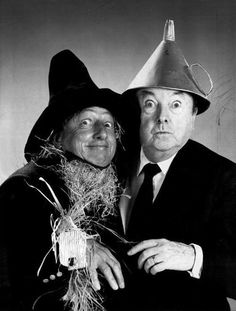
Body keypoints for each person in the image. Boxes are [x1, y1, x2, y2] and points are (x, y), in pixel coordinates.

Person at [108, 20, 236, 311]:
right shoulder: (109, 163)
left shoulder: (224, 177)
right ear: (137, 113)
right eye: (151, 104)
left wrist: (193, 257)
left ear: (193, 114)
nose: (162, 117)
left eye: (176, 105)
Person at [0, 49, 125, 311]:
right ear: (57, 137)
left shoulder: (108, 184)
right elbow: (26, 230)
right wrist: (79, 246)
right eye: (85, 123)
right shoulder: (26, 184)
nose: (101, 133)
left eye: (108, 125)